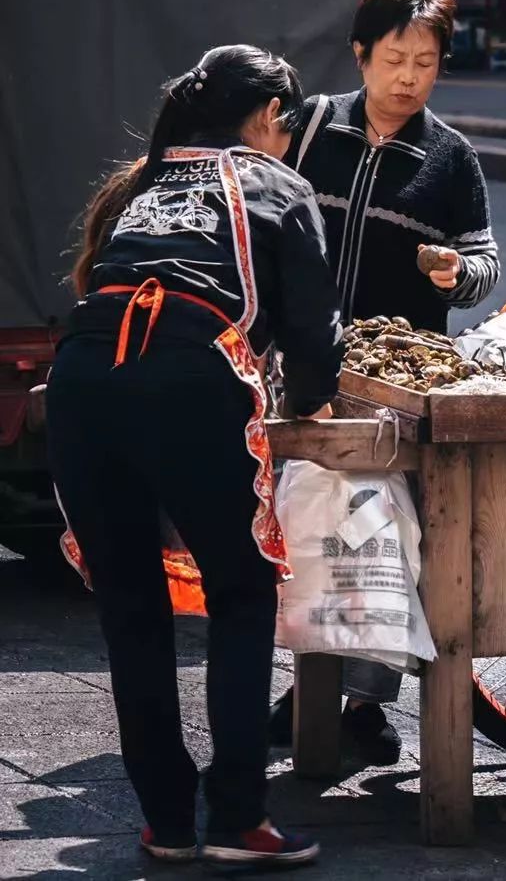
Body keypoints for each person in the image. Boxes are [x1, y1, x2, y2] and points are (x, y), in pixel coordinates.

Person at [46, 45, 344, 870]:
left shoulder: (140, 182)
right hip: (189, 372)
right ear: (267, 120)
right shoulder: (277, 183)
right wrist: (310, 408)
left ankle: (169, 823)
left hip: (81, 374)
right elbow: (317, 340)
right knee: (242, 593)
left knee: (131, 610)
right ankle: (241, 818)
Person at [268, 0, 500, 756]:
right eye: (396, 57)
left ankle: (357, 705)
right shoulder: (306, 129)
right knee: (302, 523)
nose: (408, 77)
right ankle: (313, 685)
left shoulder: (450, 157)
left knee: (376, 531)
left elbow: (484, 257)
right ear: (362, 54)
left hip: (391, 380)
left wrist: (456, 276)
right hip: (297, 363)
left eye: (426, 62)